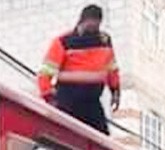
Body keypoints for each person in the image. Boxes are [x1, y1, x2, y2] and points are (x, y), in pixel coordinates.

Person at [37, 4, 121, 134]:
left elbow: (112, 68)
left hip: (92, 101)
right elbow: (45, 73)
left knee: (102, 140)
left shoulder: (104, 40)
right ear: (81, 21)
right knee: (66, 138)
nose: (93, 31)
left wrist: (115, 90)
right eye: (90, 26)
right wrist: (49, 97)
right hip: (67, 102)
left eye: (96, 27)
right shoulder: (63, 41)